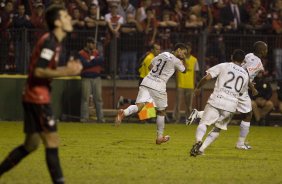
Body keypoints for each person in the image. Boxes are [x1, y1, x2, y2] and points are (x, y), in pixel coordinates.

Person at [0, 5, 82, 184]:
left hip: (32, 96)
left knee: (31, 145)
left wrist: (66, 70)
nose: (70, 19)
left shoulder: (53, 41)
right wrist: (66, 71)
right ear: (58, 22)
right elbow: (38, 71)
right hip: (37, 98)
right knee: (52, 140)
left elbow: (44, 69)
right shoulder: (50, 41)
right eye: (66, 16)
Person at [186, 41, 268, 150]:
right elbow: (245, 72)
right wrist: (252, 88)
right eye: (266, 49)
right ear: (262, 51)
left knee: (227, 111)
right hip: (240, 88)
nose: (267, 51)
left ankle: (199, 115)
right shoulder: (257, 62)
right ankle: (240, 143)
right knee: (246, 114)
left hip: (232, 87)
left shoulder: (249, 55)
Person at [114, 43, 188, 144]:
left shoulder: (163, 54)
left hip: (147, 81)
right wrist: (185, 60)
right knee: (161, 111)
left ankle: (124, 112)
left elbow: (150, 67)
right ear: (178, 50)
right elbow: (184, 71)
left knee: (139, 106)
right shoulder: (177, 61)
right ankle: (159, 137)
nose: (184, 55)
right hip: (159, 85)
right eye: (184, 53)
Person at [190, 49, 249, 157]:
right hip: (231, 104)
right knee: (217, 128)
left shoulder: (224, 66)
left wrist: (198, 87)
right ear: (243, 61)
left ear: (232, 57)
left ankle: (198, 141)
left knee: (204, 123)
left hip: (217, 99)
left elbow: (207, 77)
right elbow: (241, 93)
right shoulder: (245, 75)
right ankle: (201, 149)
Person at [79, 37, 105, 123]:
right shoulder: (81, 53)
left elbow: (101, 60)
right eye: (92, 43)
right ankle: (84, 118)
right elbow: (84, 64)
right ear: (87, 43)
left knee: (98, 99)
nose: (94, 45)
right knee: (85, 98)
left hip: (96, 78)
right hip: (86, 77)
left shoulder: (96, 52)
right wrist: (94, 61)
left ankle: (100, 118)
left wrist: (91, 61)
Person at [173, 42, 199, 123]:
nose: (187, 50)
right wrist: (177, 84)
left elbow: (195, 73)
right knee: (177, 104)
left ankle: (188, 120)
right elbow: (176, 72)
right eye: (186, 48)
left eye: (189, 48)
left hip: (190, 85)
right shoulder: (179, 59)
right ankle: (176, 119)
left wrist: (195, 85)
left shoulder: (194, 60)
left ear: (190, 50)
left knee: (189, 106)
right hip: (180, 84)